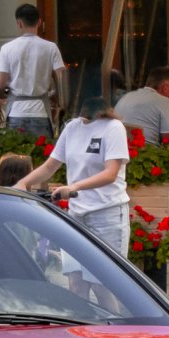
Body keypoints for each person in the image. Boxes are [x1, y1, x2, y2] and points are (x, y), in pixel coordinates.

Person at [15, 97, 130, 300]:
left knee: (102, 285)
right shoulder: (72, 128)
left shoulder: (113, 127)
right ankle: (80, 330)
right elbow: (51, 165)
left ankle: (113, 331)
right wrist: (22, 184)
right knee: (76, 283)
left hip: (106, 213)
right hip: (77, 215)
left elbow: (111, 172)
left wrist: (74, 186)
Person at [0, 3, 67, 139]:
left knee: (16, 157)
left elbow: (0, 84)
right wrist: (55, 95)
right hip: (41, 110)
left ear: (19, 23)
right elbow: (62, 78)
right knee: (41, 156)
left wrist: (1, 93)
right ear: (39, 22)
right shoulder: (51, 47)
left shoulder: (7, 48)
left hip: (16, 111)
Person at [115, 66, 169, 144]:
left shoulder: (126, 97)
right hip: (147, 153)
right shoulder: (164, 102)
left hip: (122, 152)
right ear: (165, 88)